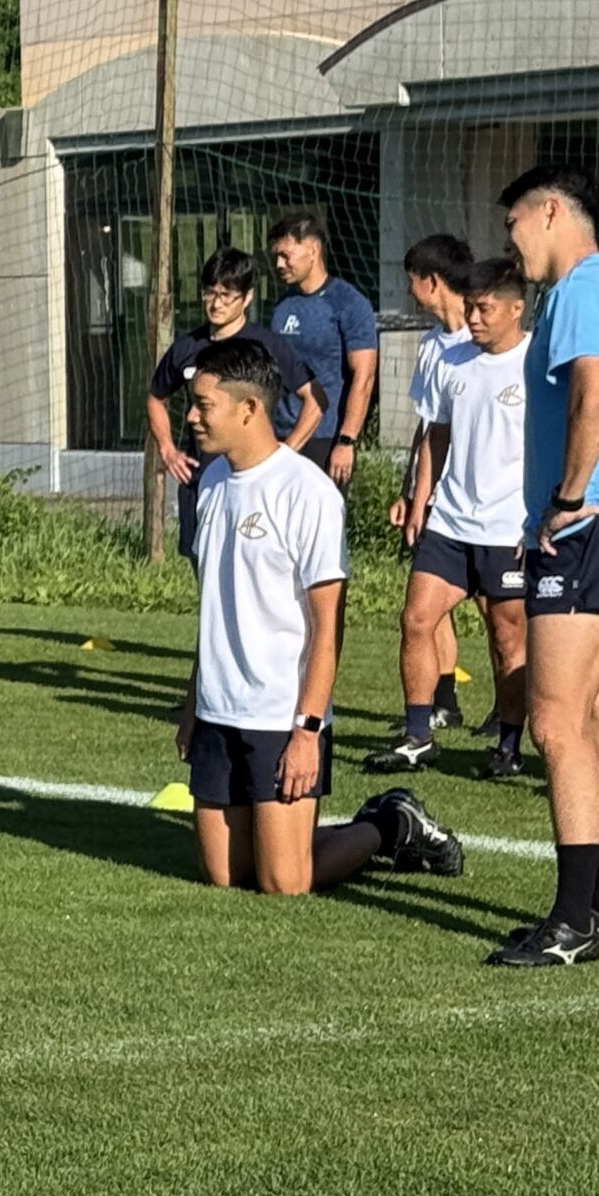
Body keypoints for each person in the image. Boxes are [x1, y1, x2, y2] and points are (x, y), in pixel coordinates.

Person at [174, 338, 463, 895]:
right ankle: (320, 829)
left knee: (284, 883)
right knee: (224, 877)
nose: (192, 416)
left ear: (249, 408)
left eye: (204, 405)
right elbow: (215, 610)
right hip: (218, 713)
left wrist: (307, 731)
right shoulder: (210, 483)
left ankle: (390, 823)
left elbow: (328, 626)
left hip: (281, 716)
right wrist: (194, 707)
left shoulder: (307, 492)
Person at [488, 165, 599, 968]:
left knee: (556, 722)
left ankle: (571, 923)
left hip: (592, 528)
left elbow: (597, 391)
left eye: (514, 225)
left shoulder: (584, 289)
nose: (512, 244)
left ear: (551, 212)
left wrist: (566, 499)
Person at [369, 251, 531, 779]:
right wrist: (420, 501)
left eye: (485, 309)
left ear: (515, 310)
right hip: (450, 522)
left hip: (509, 529)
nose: (474, 319)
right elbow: (435, 436)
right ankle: (418, 737)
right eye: (472, 308)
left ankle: (509, 747)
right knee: (416, 619)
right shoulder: (452, 360)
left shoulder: (536, 364)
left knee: (507, 639)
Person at [145, 248, 319, 564]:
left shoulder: (266, 346)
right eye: (210, 293)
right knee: (206, 573)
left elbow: (316, 399)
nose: (216, 303)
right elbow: (156, 398)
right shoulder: (187, 347)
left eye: (226, 295)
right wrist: (168, 450)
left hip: (255, 484)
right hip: (201, 482)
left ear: (248, 297)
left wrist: (287, 452)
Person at [384, 236, 481, 738]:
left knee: (497, 613)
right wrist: (411, 494)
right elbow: (428, 428)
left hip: (486, 501)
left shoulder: (489, 340)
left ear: (432, 282)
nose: (409, 291)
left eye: (412, 282)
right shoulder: (430, 346)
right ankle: (442, 703)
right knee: (426, 605)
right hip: (438, 498)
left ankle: (509, 717)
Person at [268, 214, 379, 483]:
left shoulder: (348, 303)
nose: (279, 264)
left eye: (285, 255)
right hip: (281, 437)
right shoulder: (283, 306)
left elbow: (364, 377)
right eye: (276, 256)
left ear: (313, 250)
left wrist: (346, 440)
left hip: (325, 440)